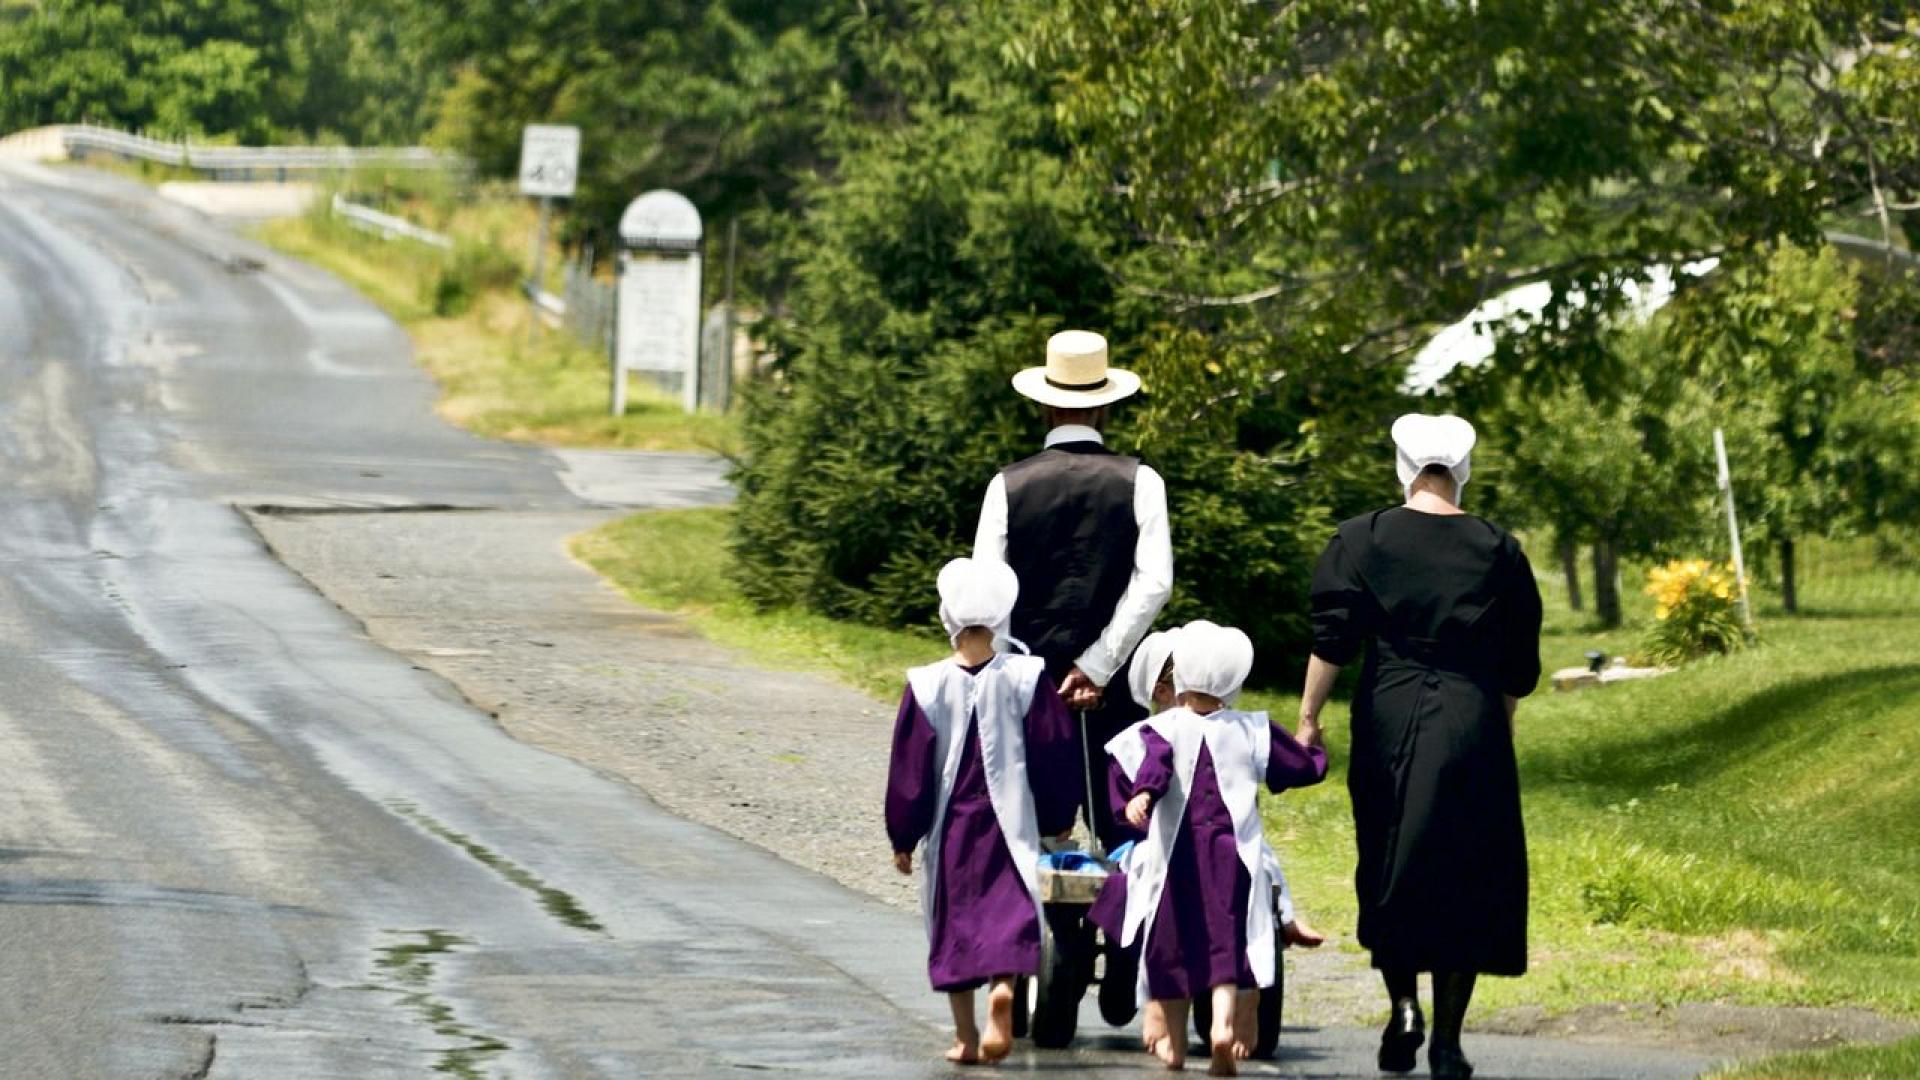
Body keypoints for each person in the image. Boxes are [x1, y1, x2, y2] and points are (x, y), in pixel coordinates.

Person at [1297, 414, 1543, 1080]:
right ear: (1463, 470)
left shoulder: (1358, 539)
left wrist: (1308, 717)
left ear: (1403, 467)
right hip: (1472, 715)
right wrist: (1502, 723)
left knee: (1388, 856)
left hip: (1389, 709)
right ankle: (1449, 1041)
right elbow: (1519, 662)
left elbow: (1332, 641)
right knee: (1467, 869)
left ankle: (1403, 1004)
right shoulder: (1499, 549)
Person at [974, 329, 1173, 849]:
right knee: (1125, 826)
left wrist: (1011, 677)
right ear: (1105, 409)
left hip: (1029, 682)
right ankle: (1125, 928)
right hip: (1116, 684)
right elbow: (1155, 583)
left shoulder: (1007, 485)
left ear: (1044, 405)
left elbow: (987, 595)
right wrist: (1098, 665)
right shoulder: (1142, 480)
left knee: (1036, 827)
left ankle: (1057, 929)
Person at [1089, 628, 1324, 1063]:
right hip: (1230, 857)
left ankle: (1174, 1045)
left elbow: (1148, 773)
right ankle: (1222, 1025)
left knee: (1169, 945)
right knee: (1228, 940)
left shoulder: (1158, 730)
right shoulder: (1253, 728)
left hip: (1173, 858)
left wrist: (1140, 796)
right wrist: (1314, 748)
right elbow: (1299, 767)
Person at [886, 557, 1080, 1065]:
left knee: (956, 924)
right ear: (999, 617)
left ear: (948, 617)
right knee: (1009, 910)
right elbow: (1052, 750)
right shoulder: (1027, 676)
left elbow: (910, 768)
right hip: (1009, 825)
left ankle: (966, 1036)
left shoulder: (926, 684)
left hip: (952, 826)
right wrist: (1059, 814)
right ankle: (1003, 988)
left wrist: (903, 835)